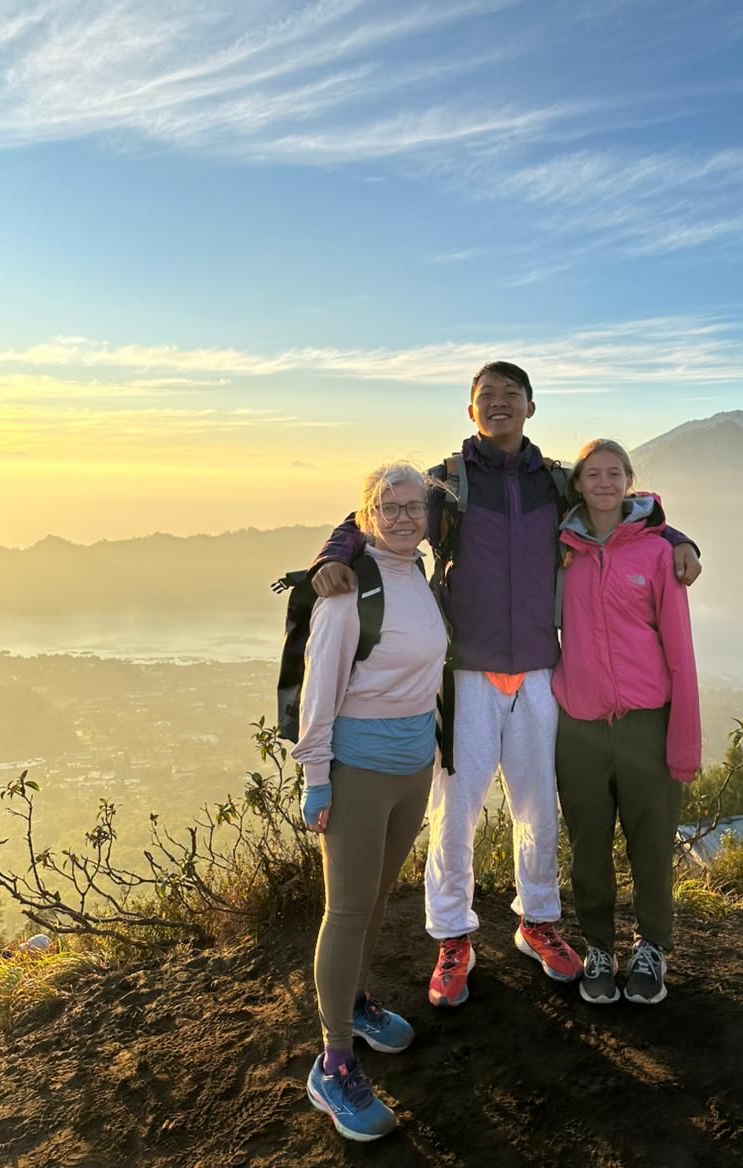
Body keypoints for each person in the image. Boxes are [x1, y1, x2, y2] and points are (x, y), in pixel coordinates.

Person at [311, 362, 701, 1009]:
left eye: (510, 397)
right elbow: (378, 513)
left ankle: (538, 922)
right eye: (486, 398)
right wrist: (332, 553)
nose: (499, 406)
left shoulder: (553, 481)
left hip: (540, 670)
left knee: (537, 807)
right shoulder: (449, 484)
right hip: (465, 669)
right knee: (455, 810)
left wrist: (680, 538)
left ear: (530, 407)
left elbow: (625, 512)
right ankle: (453, 936)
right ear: (471, 411)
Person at [295, 461, 447, 1142]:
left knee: (379, 900)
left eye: (416, 506)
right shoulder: (347, 592)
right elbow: (319, 691)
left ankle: (353, 1004)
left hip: (413, 767)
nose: (406, 517)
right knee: (349, 910)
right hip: (357, 771)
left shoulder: (424, 579)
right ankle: (333, 1063)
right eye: (391, 507)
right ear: (367, 514)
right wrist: (316, 779)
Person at [553, 439, 702, 1007]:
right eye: (594, 473)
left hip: (647, 722)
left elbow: (680, 653)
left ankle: (651, 949)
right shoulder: (560, 548)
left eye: (615, 473)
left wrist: (683, 741)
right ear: (579, 483)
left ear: (631, 481)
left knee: (650, 845)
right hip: (581, 726)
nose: (605, 482)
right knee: (588, 846)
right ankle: (597, 948)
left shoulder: (659, 552)